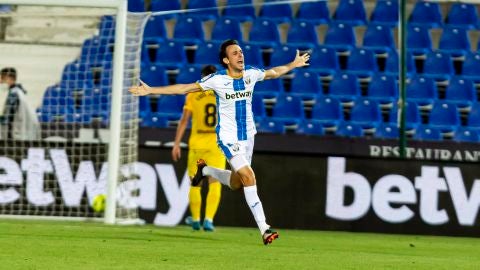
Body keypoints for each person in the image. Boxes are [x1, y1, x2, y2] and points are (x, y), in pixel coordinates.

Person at [130, 39, 310, 245]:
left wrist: (292, 64)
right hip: (227, 137)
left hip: (248, 137)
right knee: (249, 176)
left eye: (241, 52)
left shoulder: (251, 74)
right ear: (226, 60)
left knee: (236, 184)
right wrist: (151, 90)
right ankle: (264, 228)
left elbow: (274, 72)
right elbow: (185, 88)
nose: (240, 55)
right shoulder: (216, 80)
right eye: (234, 53)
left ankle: (206, 171)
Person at [172, 65, 225, 232]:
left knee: (196, 183)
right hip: (217, 145)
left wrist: (176, 143)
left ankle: (195, 220)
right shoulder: (223, 93)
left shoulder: (193, 94)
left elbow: (184, 120)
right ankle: (208, 220)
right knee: (215, 182)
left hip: (197, 145)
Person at [0, 67, 40, 140]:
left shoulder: (14, 94)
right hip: (27, 134)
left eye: (2, 78)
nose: (0, 81)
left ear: (9, 78)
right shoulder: (20, 92)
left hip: (19, 136)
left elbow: (7, 119)